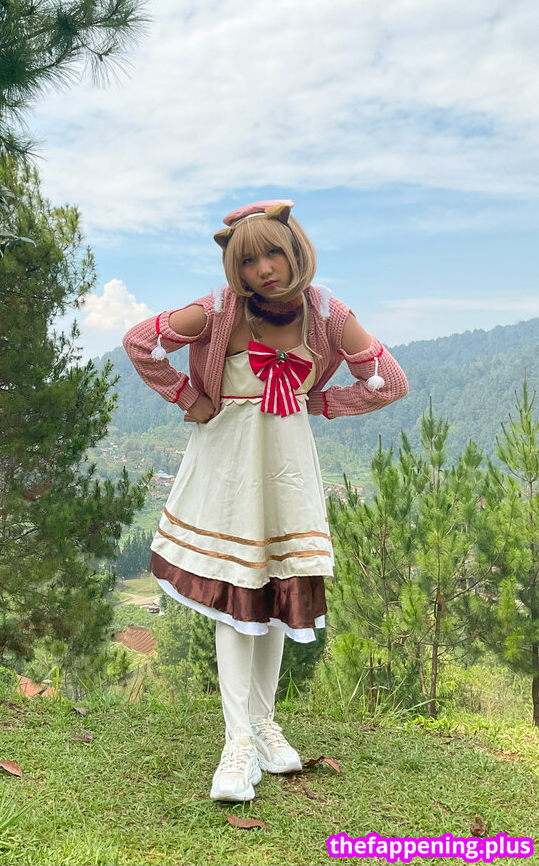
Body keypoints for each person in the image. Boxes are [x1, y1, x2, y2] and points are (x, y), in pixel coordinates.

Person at [122, 200, 408, 803]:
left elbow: (391, 382)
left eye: (274, 253)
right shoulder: (220, 309)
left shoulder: (327, 313)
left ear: (296, 250)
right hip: (226, 464)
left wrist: (324, 403)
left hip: (286, 467)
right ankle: (236, 743)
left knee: (277, 594)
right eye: (248, 260)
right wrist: (187, 397)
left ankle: (262, 723)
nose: (264, 270)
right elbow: (140, 342)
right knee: (236, 599)